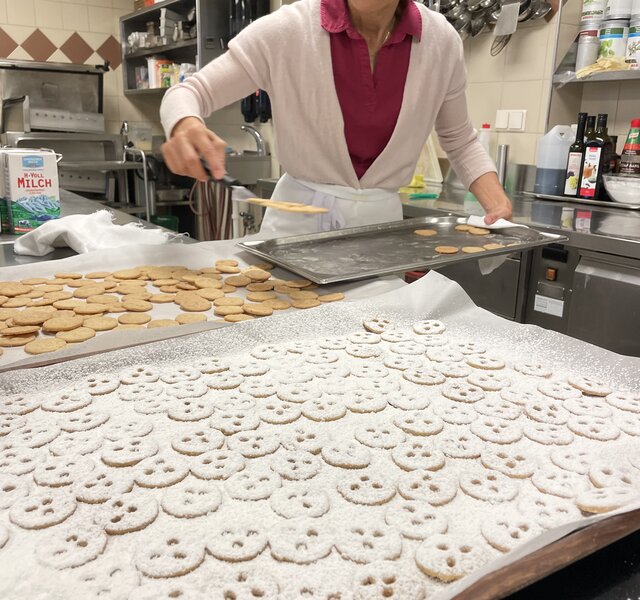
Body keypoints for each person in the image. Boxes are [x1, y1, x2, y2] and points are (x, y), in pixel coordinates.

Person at [160, 0, 512, 236]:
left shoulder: (441, 42)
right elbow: (189, 92)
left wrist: (496, 204)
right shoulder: (289, 30)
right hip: (296, 228)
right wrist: (185, 125)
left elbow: (460, 139)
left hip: (377, 232)